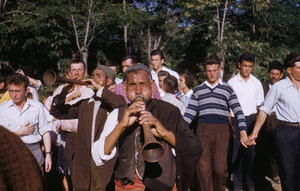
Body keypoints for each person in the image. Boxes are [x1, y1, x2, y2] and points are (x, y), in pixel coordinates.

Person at [92, 64, 202, 191]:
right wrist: (121, 125)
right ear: (124, 87)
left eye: (143, 84)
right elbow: (98, 156)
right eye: (132, 85)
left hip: (162, 186)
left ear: (152, 85)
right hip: (125, 185)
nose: (138, 91)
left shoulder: (170, 111)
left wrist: (166, 134)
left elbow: (195, 147)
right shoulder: (117, 114)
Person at [183, 56, 246, 191]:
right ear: (205, 71)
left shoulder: (227, 89)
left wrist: (242, 130)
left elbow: (238, 111)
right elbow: (189, 114)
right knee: (203, 168)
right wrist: (178, 130)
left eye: (214, 70)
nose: (212, 74)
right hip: (203, 130)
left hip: (222, 131)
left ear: (219, 70)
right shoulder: (198, 90)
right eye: (209, 71)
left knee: (219, 169)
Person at [247, 52, 300, 191]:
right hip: (285, 132)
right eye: (299, 68)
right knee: (288, 174)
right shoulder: (279, 87)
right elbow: (264, 110)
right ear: (289, 70)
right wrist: (255, 133)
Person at [72, 65, 126, 191]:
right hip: (84, 159)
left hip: (102, 160)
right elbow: (58, 112)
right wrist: (66, 88)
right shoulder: (85, 104)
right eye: (93, 75)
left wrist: (100, 89)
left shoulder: (115, 101)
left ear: (108, 81)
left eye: (99, 76)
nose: (94, 78)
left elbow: (121, 104)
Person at [50, 59, 94, 183]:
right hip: (65, 137)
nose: (76, 73)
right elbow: (51, 108)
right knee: (65, 172)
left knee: (81, 174)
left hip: (83, 136)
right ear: (69, 72)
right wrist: (67, 94)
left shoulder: (90, 90)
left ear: (85, 73)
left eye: (79, 70)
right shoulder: (61, 89)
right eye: (73, 70)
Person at [0, 73, 52, 173]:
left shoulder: (37, 107)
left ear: (26, 90)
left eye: (18, 91)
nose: (14, 95)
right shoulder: (2, 109)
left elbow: (45, 131)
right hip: (11, 152)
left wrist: (48, 154)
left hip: (34, 151)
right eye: (11, 91)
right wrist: (19, 133)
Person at [227, 52, 264, 191]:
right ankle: (236, 185)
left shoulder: (256, 83)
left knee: (251, 155)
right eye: (244, 66)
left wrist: (256, 127)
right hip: (236, 120)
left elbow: (260, 105)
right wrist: (231, 126)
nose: (247, 69)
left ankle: (250, 185)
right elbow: (228, 108)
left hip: (252, 120)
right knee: (236, 155)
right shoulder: (231, 83)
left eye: (250, 66)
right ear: (239, 65)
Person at [260, 60, 284, 184]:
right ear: (268, 73)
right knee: (262, 146)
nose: (274, 76)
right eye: (272, 73)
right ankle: (261, 172)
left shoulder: (285, 87)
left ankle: (275, 173)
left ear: (281, 75)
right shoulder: (262, 86)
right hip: (264, 118)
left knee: (276, 148)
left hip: (279, 119)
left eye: (276, 74)